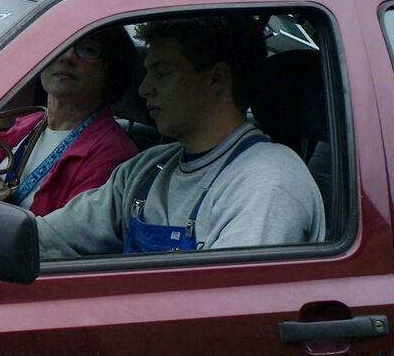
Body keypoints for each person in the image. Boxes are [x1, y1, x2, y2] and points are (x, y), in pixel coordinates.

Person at [37, 15, 324, 258]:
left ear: (217, 79)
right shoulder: (144, 171)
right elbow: (44, 238)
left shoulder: (267, 183)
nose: (143, 89)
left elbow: (229, 308)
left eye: (162, 74)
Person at [0, 26, 141, 216]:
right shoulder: (31, 122)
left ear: (112, 71)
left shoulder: (112, 155)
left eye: (88, 49)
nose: (67, 56)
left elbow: (64, 240)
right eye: (61, 44)